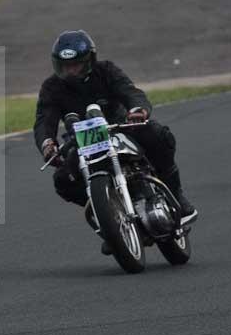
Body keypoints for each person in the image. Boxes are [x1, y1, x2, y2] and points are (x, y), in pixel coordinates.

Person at [33, 30, 197, 240]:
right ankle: (110, 218)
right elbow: (44, 119)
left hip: (120, 126)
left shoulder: (106, 70)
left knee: (157, 135)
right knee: (64, 180)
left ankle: (175, 194)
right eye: (65, 66)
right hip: (81, 140)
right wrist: (47, 144)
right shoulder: (51, 87)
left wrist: (137, 110)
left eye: (76, 64)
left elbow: (129, 91)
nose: (71, 70)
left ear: (89, 61)